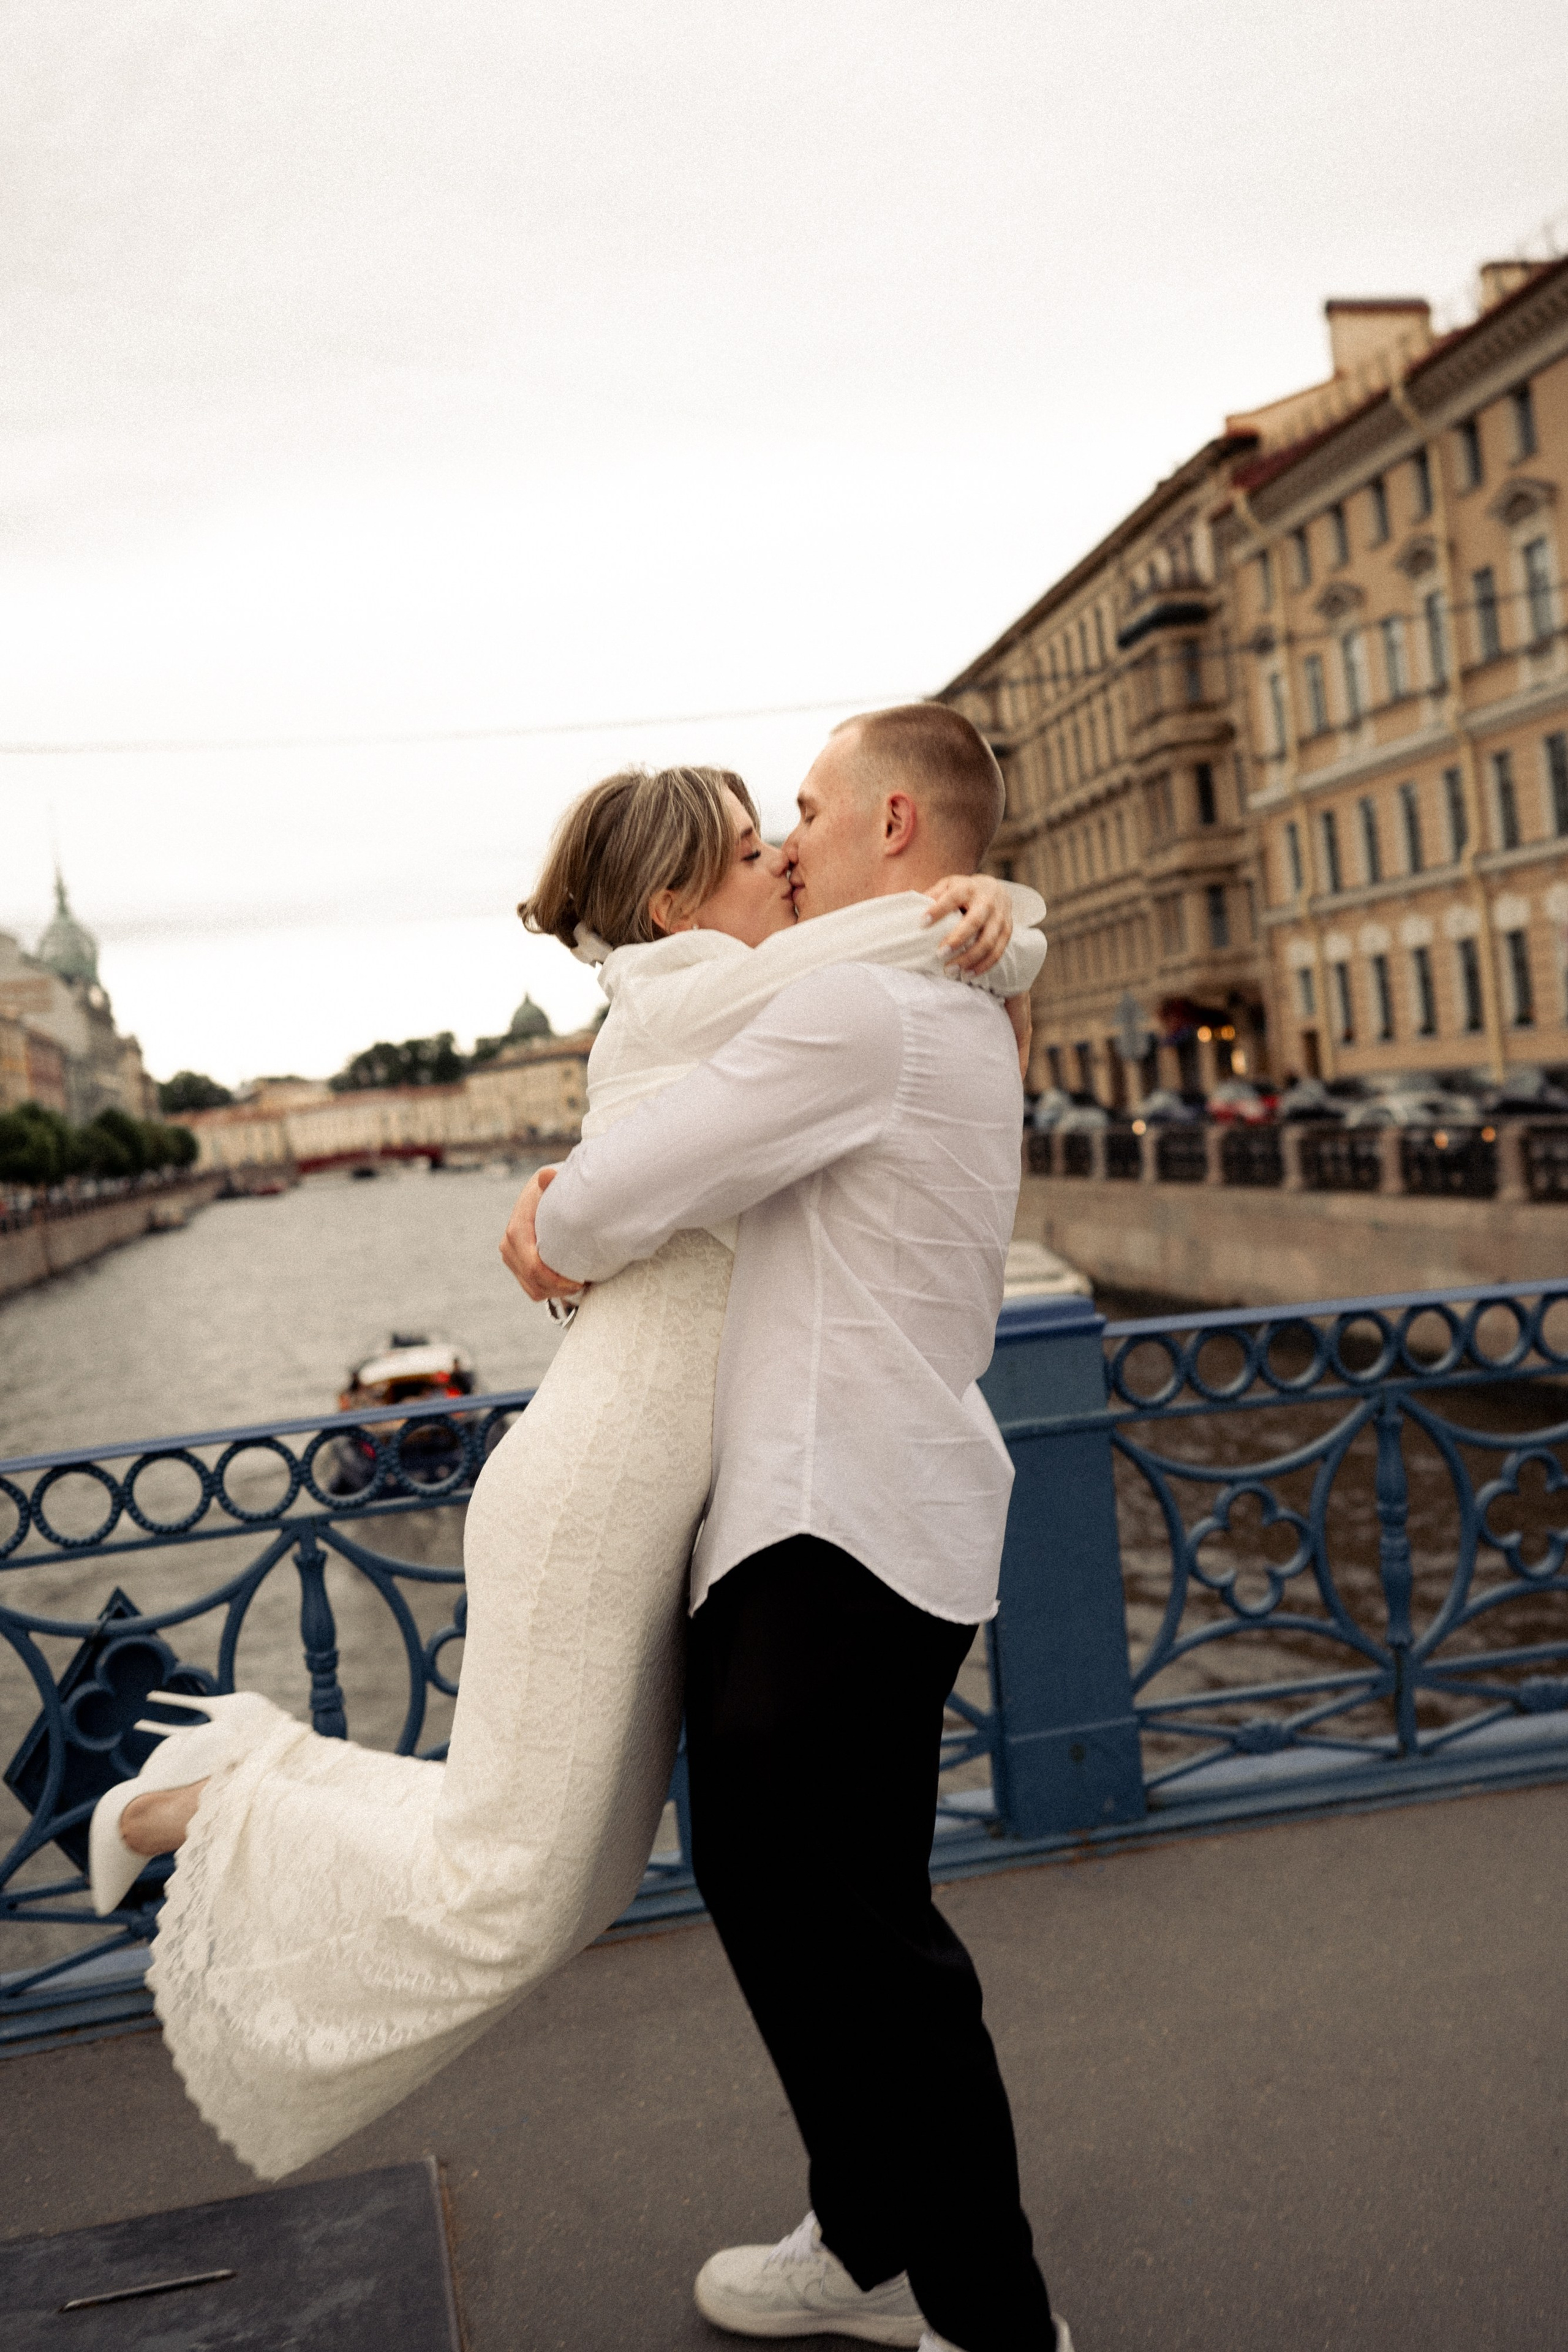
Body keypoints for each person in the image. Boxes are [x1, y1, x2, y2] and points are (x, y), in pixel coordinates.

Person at [89, 756, 1044, 2186]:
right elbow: (884, 964)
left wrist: (994, 913)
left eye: (782, 834)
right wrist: (991, 916)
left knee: (575, 1876)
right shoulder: (693, 998)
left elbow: (909, 959)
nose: (783, 861)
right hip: (599, 1491)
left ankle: (242, 1774)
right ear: (668, 907)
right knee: (508, 1896)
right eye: (744, 850)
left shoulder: (755, 996)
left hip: (660, 1500)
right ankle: (200, 1802)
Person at [502, 706, 1066, 2352]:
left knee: (863, 1942)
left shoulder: (862, 1009)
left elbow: (615, 1198)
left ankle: (992, 2315)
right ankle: (870, 2228)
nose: (789, 840)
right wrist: (1010, 920)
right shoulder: (924, 982)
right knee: (787, 1892)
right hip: (845, 1513)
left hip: (845, 1520)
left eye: (806, 810)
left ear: (893, 824)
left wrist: (542, 1215)